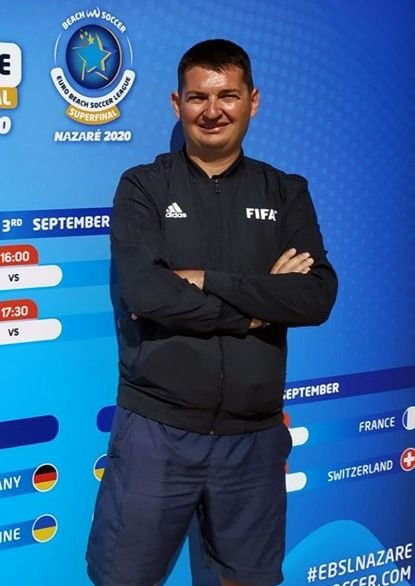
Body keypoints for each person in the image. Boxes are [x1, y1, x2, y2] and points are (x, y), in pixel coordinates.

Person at [86, 39, 338, 586]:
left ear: (253, 101)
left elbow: (316, 296)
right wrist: (254, 309)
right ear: (177, 104)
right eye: (198, 97)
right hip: (157, 430)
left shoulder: (286, 192)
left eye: (228, 95)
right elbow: (147, 293)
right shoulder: (143, 187)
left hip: (254, 439)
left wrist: (207, 281)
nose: (213, 110)